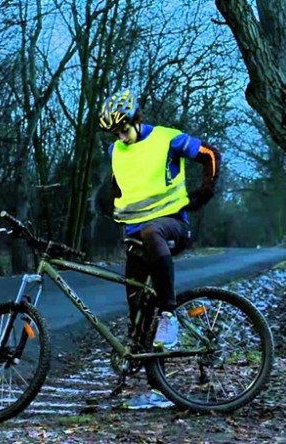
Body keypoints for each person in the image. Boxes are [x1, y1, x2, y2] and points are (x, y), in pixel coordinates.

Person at [99, 88, 221, 409]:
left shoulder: (166, 138)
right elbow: (117, 188)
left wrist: (204, 192)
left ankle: (170, 313)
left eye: (124, 129)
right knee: (138, 312)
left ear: (136, 120)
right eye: (115, 133)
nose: (121, 137)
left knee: (153, 231)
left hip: (172, 229)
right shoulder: (116, 150)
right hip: (136, 239)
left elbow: (209, 153)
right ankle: (158, 388)